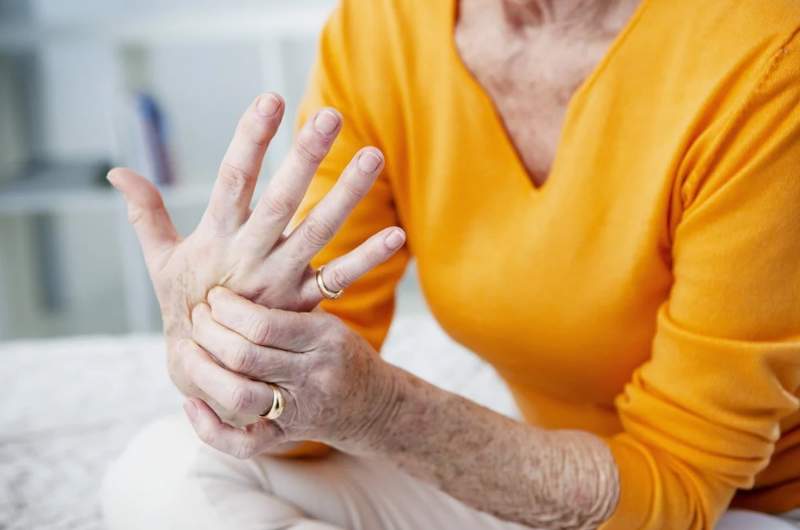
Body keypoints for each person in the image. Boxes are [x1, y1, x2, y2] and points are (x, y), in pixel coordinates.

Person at [101, 0, 800, 528]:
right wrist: (238, 360)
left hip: (734, 508)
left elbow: (676, 491)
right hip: (544, 474)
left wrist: (383, 412)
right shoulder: (389, 23)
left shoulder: (767, 57)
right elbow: (307, 407)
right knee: (166, 470)